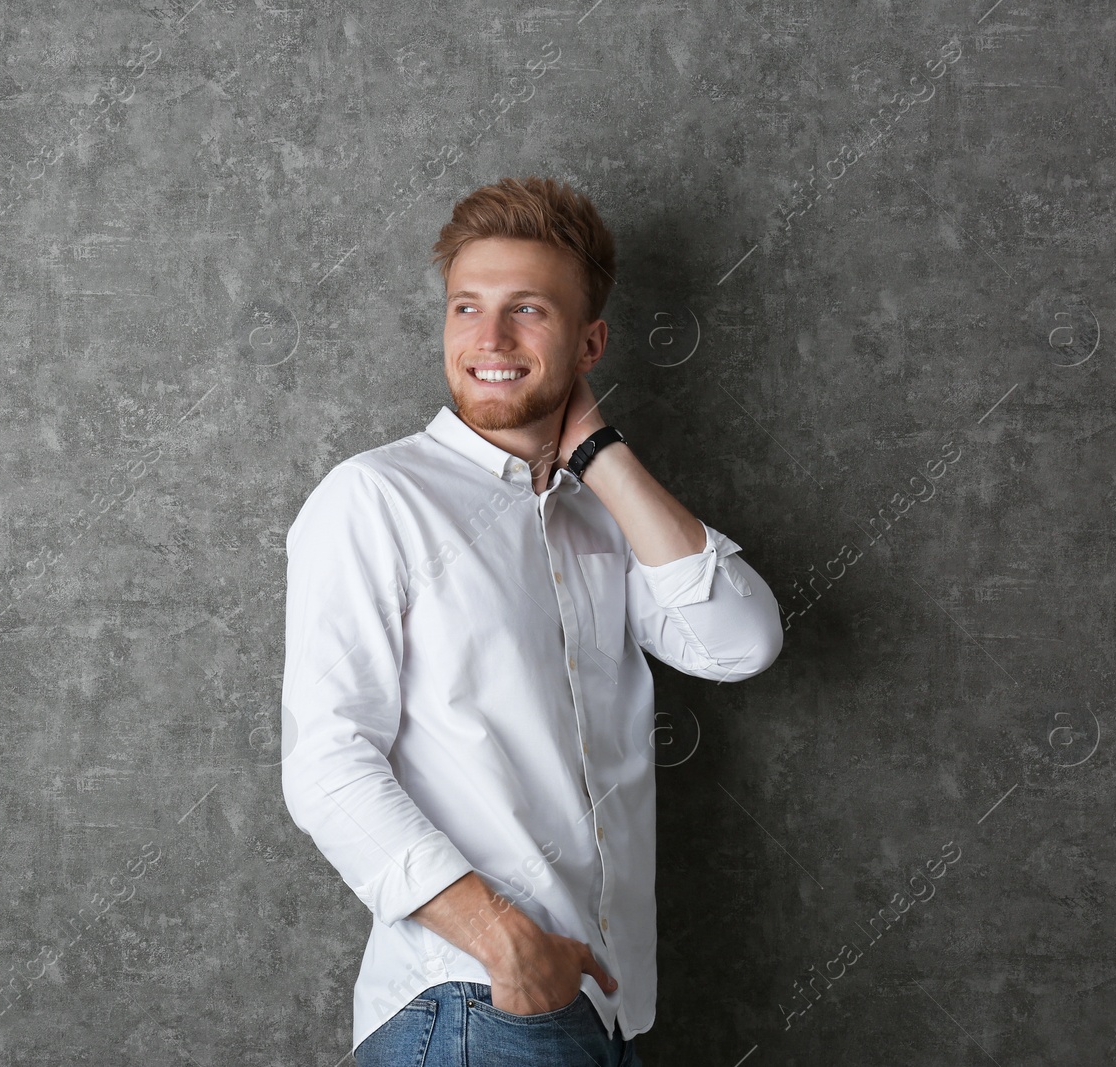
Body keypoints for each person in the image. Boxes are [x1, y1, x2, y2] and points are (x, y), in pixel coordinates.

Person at [280, 176, 783, 1065]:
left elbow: (740, 643)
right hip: (471, 1000)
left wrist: (600, 453)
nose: (490, 339)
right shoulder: (376, 497)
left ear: (591, 342)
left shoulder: (605, 520)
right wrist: (504, 942)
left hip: (600, 1012)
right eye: (466, 307)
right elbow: (326, 763)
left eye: (528, 311)